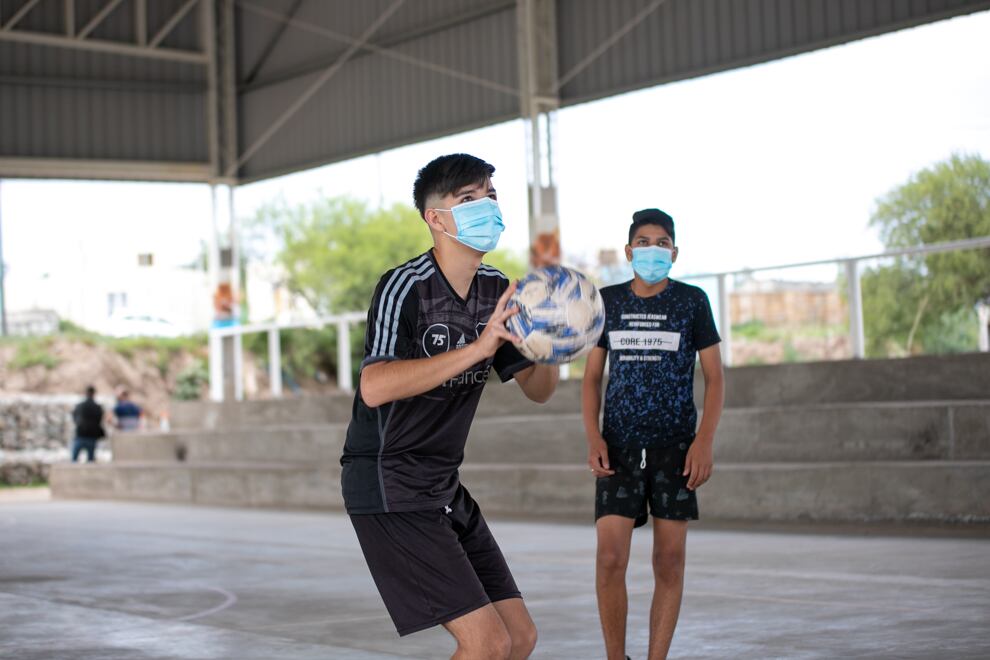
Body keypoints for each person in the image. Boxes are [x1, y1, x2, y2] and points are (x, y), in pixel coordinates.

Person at [341, 153, 559, 659]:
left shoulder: (498, 292)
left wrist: (549, 345)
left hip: (442, 484)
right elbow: (374, 386)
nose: (487, 206)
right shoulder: (406, 286)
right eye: (468, 199)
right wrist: (479, 349)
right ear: (435, 218)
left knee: (519, 637)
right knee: (484, 644)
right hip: (388, 482)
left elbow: (539, 389)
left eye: (490, 195)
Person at [582, 208, 724, 660]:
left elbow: (715, 379)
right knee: (609, 559)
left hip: (675, 449)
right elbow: (590, 380)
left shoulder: (692, 302)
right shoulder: (607, 302)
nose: (652, 250)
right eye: (643, 242)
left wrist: (703, 441)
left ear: (675, 252)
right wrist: (594, 437)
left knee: (669, 561)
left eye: (662, 243)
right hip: (618, 449)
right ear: (628, 251)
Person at [71, 386, 105, 463]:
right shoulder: (97, 407)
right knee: (90, 460)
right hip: (92, 435)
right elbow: (99, 420)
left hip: (80, 433)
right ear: (94, 394)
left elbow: (74, 417)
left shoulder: (79, 406)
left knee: (74, 460)